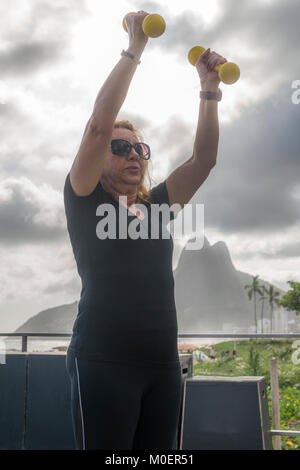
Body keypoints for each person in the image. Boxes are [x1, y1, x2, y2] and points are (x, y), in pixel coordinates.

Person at [64, 11, 226, 450]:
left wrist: (208, 89)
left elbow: (203, 160)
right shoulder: (85, 198)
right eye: (119, 148)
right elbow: (98, 124)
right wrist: (135, 47)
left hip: (162, 365)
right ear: (98, 159)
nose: (132, 154)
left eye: (139, 148)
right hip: (102, 361)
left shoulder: (155, 207)